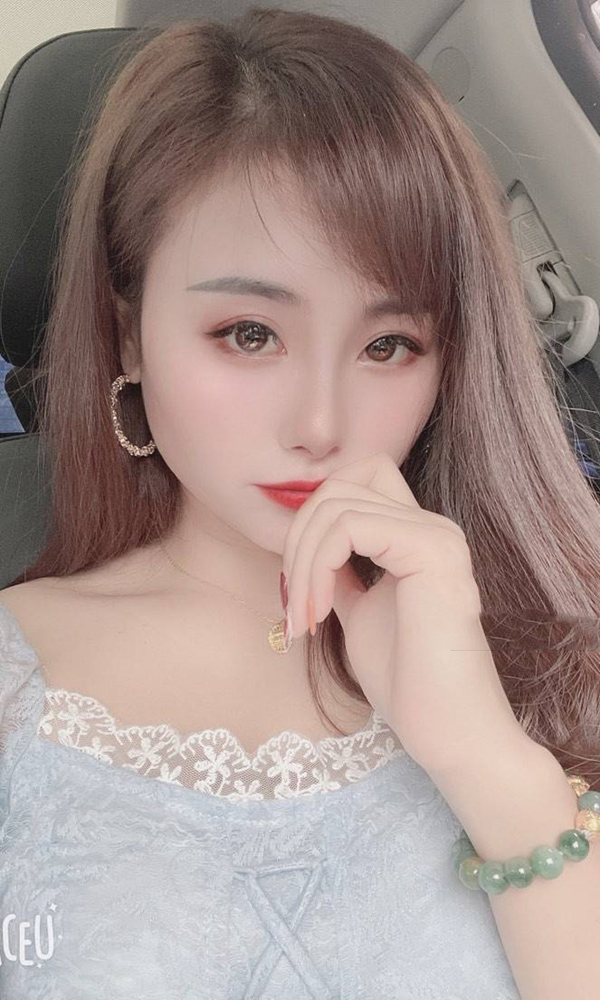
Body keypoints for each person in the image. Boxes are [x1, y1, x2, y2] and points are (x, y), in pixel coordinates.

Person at [0, 8, 599, 997]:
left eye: (387, 345)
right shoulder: (18, 682)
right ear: (130, 334)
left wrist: (488, 759)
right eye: (248, 334)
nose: (321, 423)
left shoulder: (554, 657)